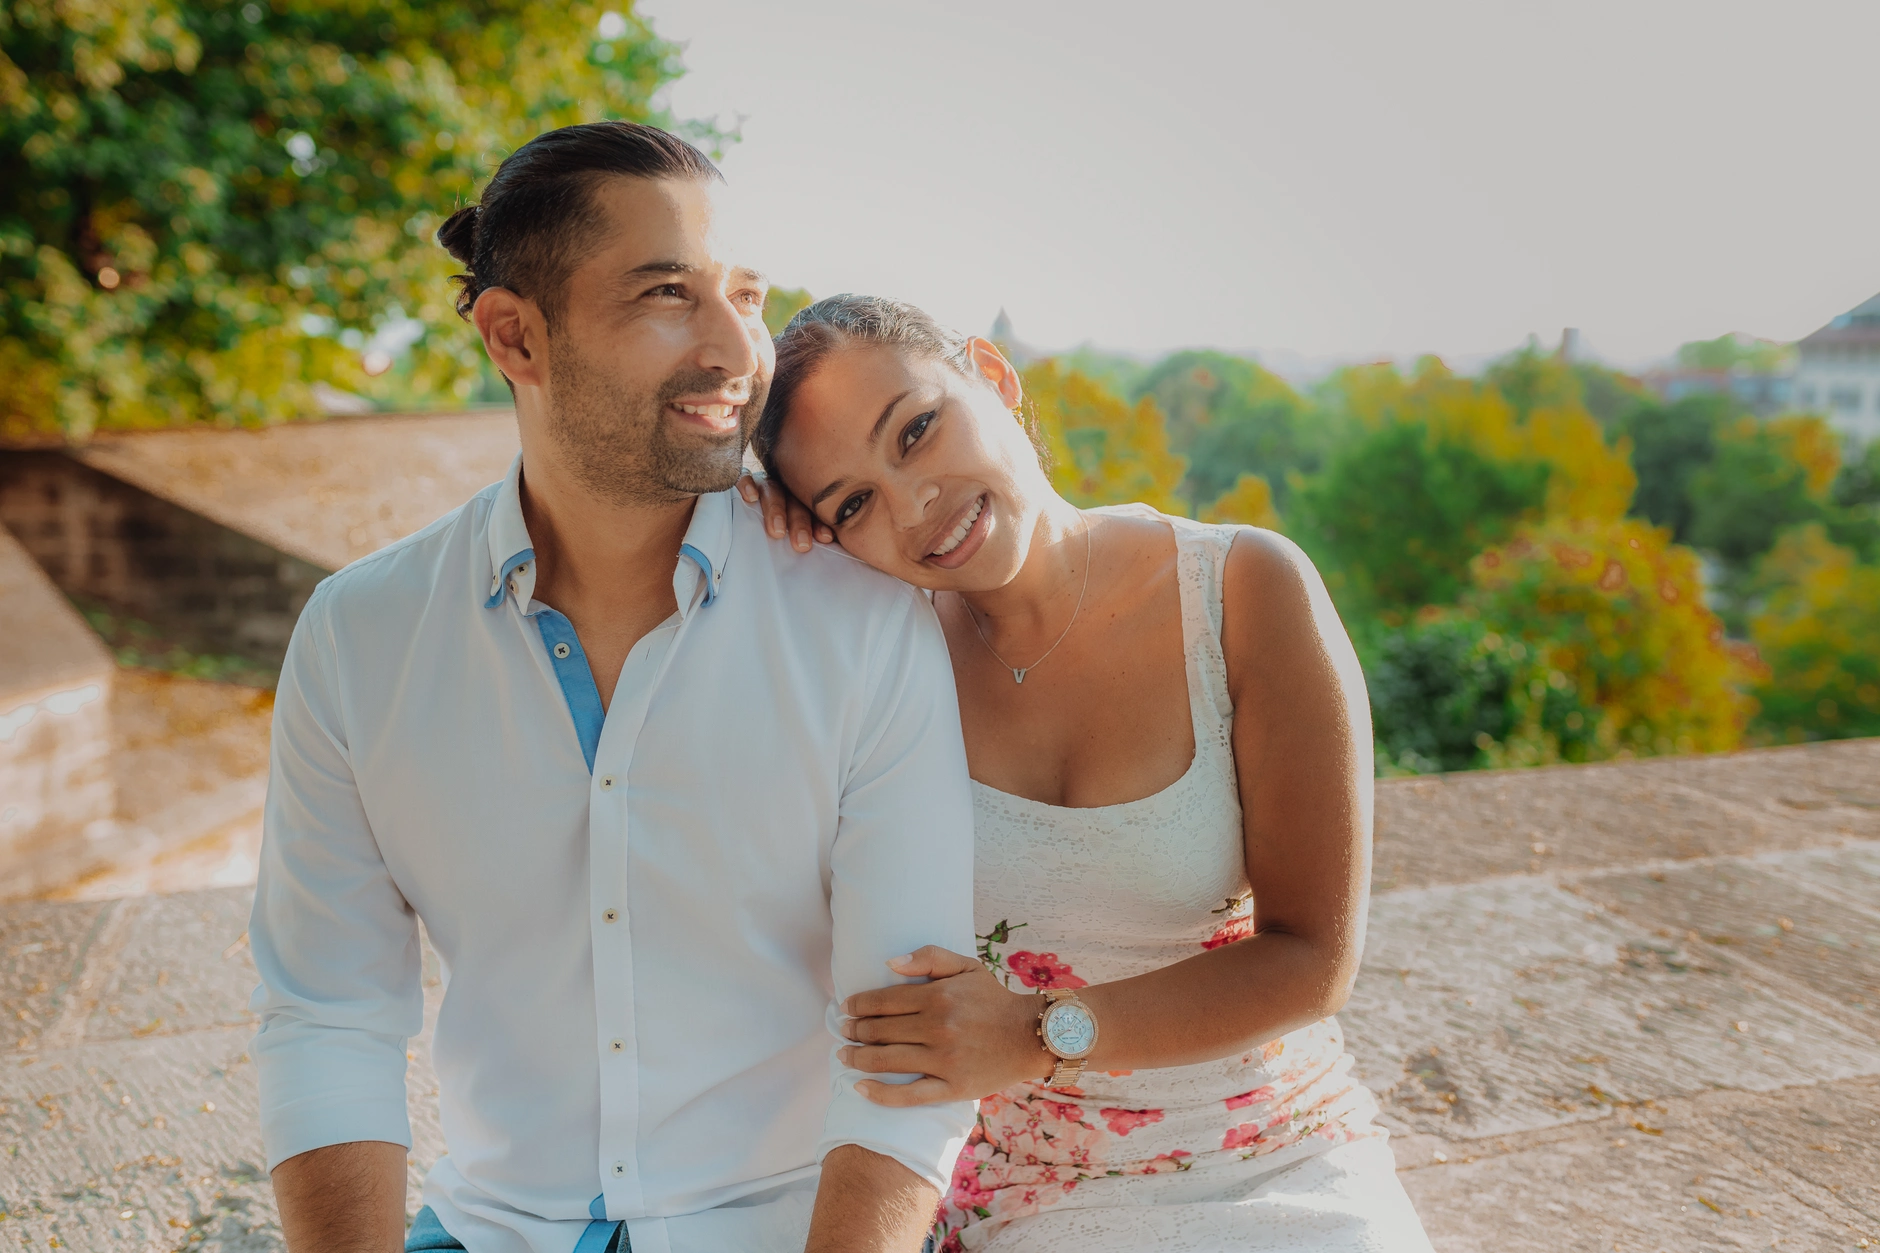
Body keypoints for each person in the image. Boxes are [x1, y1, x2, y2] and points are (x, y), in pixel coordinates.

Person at [248, 126, 977, 1253]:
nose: (740, 346)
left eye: (745, 293)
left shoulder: (865, 623)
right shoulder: (361, 636)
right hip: (494, 1227)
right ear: (515, 336)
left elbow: (912, 1038)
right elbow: (328, 1014)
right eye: (668, 295)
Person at [742, 295, 1436, 1252]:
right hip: (1021, 1191)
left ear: (992, 374)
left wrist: (1033, 1030)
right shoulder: (885, 663)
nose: (913, 506)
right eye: (851, 503)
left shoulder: (1243, 592)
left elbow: (1314, 955)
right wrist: (752, 540)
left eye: (916, 430)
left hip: (1278, 1155)